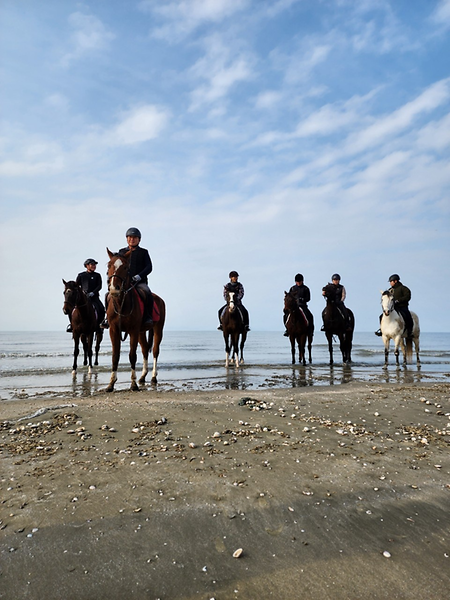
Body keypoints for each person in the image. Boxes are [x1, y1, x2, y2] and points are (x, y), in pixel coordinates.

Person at [101, 227, 153, 329]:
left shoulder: (144, 252)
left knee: (147, 292)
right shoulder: (122, 251)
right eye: (130, 237)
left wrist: (139, 276)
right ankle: (107, 318)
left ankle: (148, 317)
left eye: (134, 238)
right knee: (108, 295)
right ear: (127, 239)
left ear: (139, 239)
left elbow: (149, 267)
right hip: (124, 282)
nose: (132, 239)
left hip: (139, 282)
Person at [66, 258, 105, 333]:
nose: (94, 266)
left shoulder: (97, 275)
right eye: (92, 264)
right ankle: (72, 325)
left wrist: (93, 293)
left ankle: (99, 324)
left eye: (95, 265)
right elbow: (76, 286)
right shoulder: (81, 275)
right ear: (87, 266)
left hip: (94, 297)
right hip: (83, 297)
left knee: (101, 308)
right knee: (72, 309)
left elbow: (99, 286)